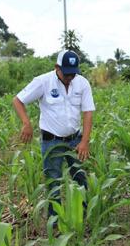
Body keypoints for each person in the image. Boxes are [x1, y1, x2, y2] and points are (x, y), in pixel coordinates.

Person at [12, 50, 95, 224]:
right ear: (57, 67)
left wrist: (84, 141)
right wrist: (26, 123)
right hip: (51, 141)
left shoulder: (82, 83)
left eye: (73, 73)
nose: (70, 77)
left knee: (80, 177)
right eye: (66, 73)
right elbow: (18, 100)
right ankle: (55, 223)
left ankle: (86, 216)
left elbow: (88, 112)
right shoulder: (43, 82)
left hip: (75, 140)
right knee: (53, 182)